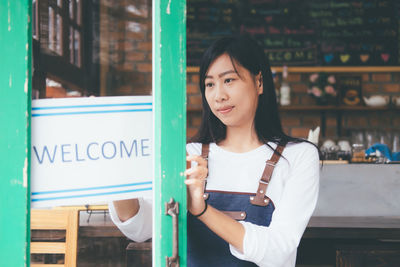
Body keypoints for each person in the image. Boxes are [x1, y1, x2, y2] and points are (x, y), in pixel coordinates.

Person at [109, 35, 320, 267]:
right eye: (210, 84)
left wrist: (202, 210)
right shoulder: (189, 153)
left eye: (228, 80)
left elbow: (278, 251)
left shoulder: (298, 156)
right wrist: (117, 173)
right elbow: (141, 227)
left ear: (259, 82)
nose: (219, 95)